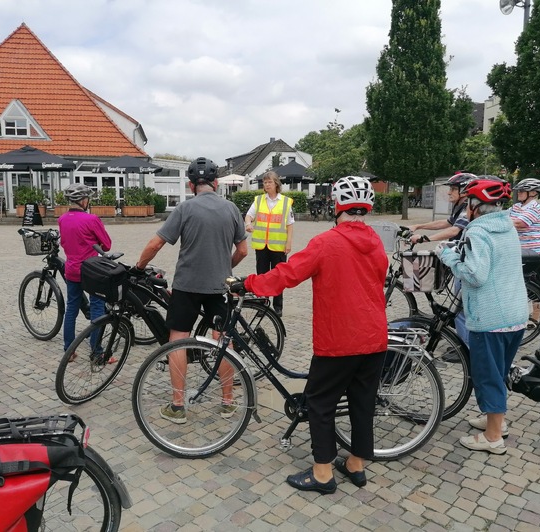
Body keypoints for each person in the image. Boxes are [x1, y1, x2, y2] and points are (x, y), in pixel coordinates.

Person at [243, 176, 388, 495]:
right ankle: (356, 465)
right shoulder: (376, 241)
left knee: (320, 402)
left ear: (337, 206)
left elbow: (288, 273)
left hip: (340, 339)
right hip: (374, 338)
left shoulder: (327, 242)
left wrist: (250, 283)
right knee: (362, 404)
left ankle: (322, 473)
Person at [135, 157, 248, 423]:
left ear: (190, 185)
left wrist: (140, 266)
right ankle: (228, 402)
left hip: (186, 286)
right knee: (223, 341)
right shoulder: (231, 209)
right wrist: (225, 267)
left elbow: (155, 245)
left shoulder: (185, 209)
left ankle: (177, 406)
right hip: (220, 286)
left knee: (178, 340)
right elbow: (243, 250)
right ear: (216, 183)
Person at [437, 179, 528, 455]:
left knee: (488, 376)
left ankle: (493, 437)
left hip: (490, 318)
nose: (466, 210)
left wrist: (448, 258)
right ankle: (496, 421)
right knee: (498, 373)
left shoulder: (478, 232)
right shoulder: (507, 227)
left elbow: (476, 276)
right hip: (516, 314)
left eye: (467, 205)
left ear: (475, 207)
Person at [58, 184, 113, 357]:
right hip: (91, 271)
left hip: (72, 269)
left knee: (72, 308)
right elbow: (107, 244)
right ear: (83, 200)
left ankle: (69, 350)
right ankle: (97, 351)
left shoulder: (62, 219)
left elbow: (65, 243)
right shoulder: (91, 219)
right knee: (97, 308)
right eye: (87, 199)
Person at [244, 171, 294, 316]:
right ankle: (263, 304)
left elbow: (290, 224)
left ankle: (278, 306)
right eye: (265, 182)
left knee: (278, 276)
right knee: (262, 276)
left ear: (276, 184)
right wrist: (248, 223)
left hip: (278, 246)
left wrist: (288, 243)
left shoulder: (285, 202)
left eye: (269, 182)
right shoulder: (259, 200)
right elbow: (249, 215)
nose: (267, 184)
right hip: (262, 246)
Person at [408, 172, 476, 244]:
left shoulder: (469, 207)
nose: (449, 193)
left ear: (464, 191)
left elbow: (454, 230)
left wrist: (424, 239)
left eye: (453, 189)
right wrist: (417, 226)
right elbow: (448, 222)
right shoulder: (459, 205)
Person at [509, 178, 540, 255]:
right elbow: (501, 216)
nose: (518, 193)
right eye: (518, 191)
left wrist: (500, 223)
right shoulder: (516, 206)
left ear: (533, 193)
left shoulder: (535, 208)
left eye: (522, 191)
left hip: (534, 251)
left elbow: (519, 223)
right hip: (520, 249)